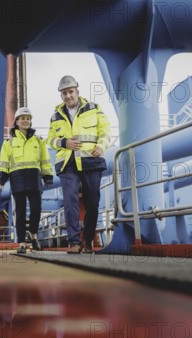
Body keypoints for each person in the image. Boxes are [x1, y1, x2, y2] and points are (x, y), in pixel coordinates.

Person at [46, 75, 110, 254]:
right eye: (64, 93)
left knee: (93, 202)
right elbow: (50, 140)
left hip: (90, 160)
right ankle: (74, 242)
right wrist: (64, 142)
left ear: (77, 92)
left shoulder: (94, 109)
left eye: (70, 92)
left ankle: (88, 241)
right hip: (67, 163)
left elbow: (105, 129)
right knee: (70, 201)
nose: (68, 96)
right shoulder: (56, 116)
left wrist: (102, 146)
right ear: (61, 95)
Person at [0, 106, 54, 253]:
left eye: (28, 119)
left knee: (36, 209)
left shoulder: (38, 141)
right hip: (17, 178)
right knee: (21, 212)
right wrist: (2, 179)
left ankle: (33, 235)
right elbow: (4, 162)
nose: (26, 121)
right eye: (23, 118)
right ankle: (22, 243)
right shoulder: (8, 143)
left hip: (34, 177)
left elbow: (45, 160)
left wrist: (48, 176)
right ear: (17, 121)